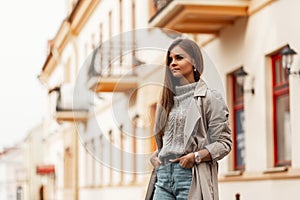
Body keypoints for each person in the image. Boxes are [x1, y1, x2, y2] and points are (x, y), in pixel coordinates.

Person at [145, 38, 232, 200]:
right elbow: (170, 141)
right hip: (163, 176)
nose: (173, 63)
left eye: (179, 57)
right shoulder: (166, 100)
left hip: (190, 175)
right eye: (170, 59)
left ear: (194, 61)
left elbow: (224, 144)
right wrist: (157, 155)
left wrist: (196, 156)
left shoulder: (210, 98)